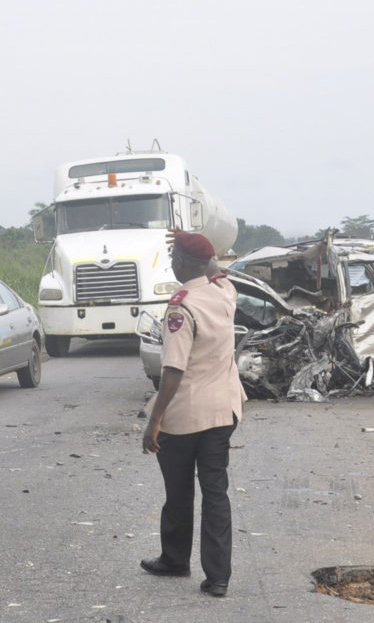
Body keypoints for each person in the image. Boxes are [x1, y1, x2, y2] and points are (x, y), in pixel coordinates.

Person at [140, 230, 246, 598]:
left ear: (184, 263)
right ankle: (218, 578)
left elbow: (173, 369)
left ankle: (175, 559)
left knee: (179, 490)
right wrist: (194, 240)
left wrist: (154, 420)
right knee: (215, 492)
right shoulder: (225, 292)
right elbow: (214, 267)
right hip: (223, 411)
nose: (171, 263)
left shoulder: (181, 306)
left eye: (174, 257)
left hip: (185, 415)